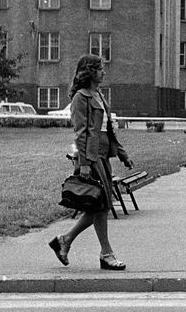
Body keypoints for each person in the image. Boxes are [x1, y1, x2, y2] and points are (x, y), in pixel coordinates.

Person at [48, 54, 132, 271]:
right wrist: (84, 163)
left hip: (102, 155)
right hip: (91, 157)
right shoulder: (80, 97)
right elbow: (81, 132)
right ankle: (106, 253)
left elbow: (109, 129)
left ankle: (64, 240)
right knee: (101, 205)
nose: (104, 72)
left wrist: (122, 153)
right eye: (100, 68)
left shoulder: (98, 95)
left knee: (99, 205)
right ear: (90, 71)